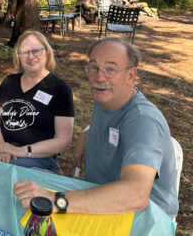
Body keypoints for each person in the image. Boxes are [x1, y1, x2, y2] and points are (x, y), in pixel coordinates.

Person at [14, 38, 178, 220]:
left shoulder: (143, 121)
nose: (99, 77)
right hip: (100, 199)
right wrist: (88, 134)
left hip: (144, 218)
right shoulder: (107, 98)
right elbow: (114, 125)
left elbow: (136, 195)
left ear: (130, 75)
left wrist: (57, 201)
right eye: (93, 67)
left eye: (111, 69)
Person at [0, 30, 75, 174]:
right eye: (24, 52)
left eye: (36, 51)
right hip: (0, 151)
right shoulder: (9, 82)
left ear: (47, 52)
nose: (30, 56)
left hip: (36, 159)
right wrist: (1, 146)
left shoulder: (60, 88)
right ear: (18, 56)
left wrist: (20, 151)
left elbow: (63, 141)